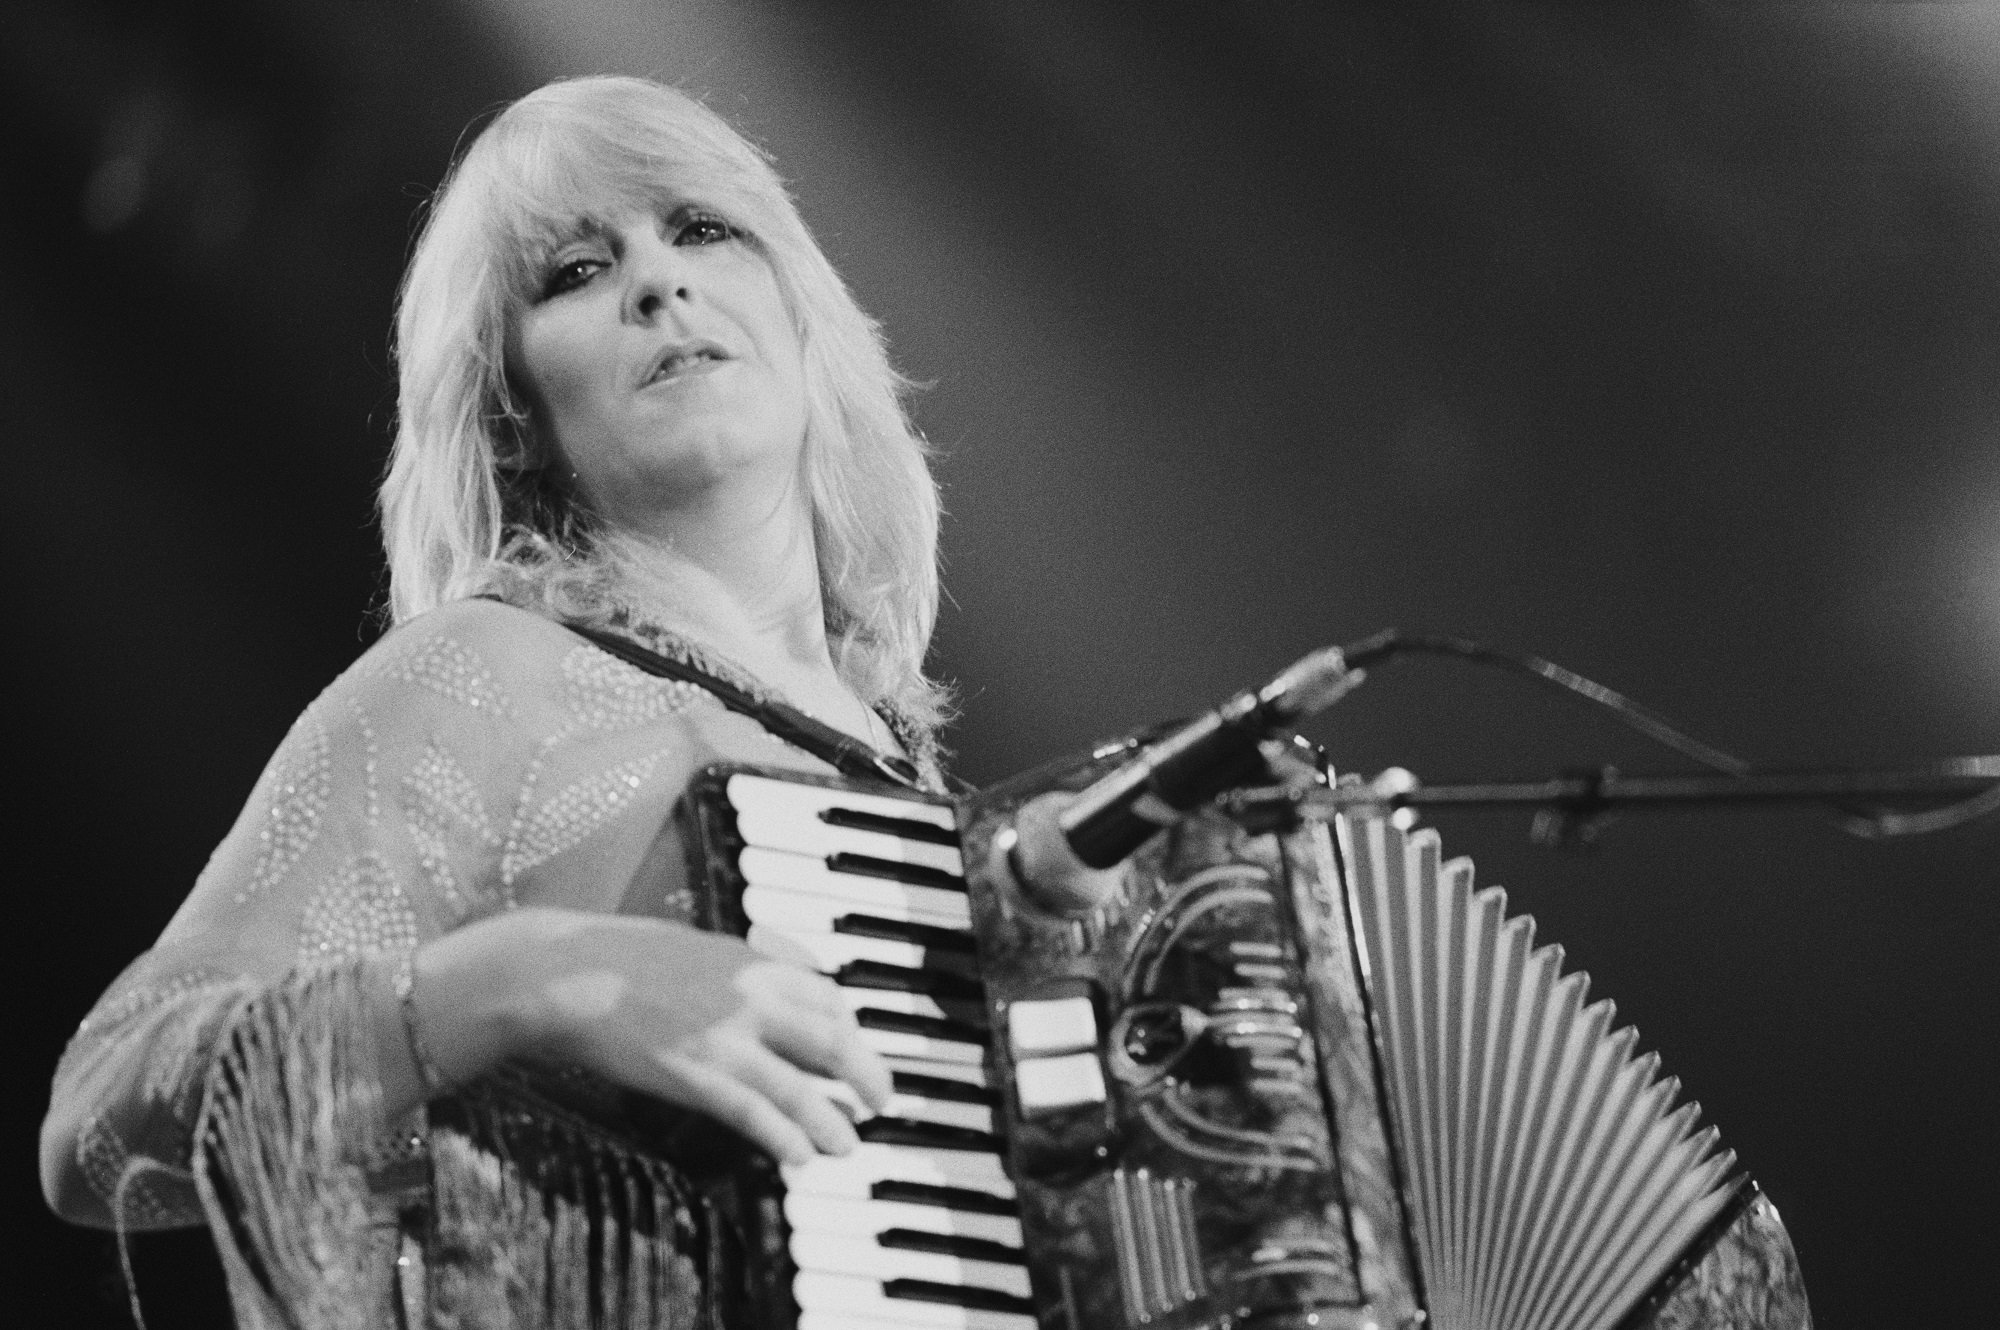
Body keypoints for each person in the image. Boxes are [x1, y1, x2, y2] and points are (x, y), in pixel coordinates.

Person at [40, 74, 954, 1328]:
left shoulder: (896, 756)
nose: (656, 283)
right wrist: (541, 975)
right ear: (513, 417)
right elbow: (103, 1121)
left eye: (700, 229)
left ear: (803, 316)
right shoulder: (489, 672)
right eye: (576, 270)